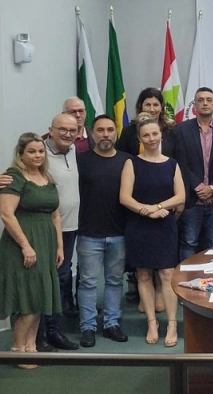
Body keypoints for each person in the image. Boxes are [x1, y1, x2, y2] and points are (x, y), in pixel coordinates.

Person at [119, 117, 186, 347]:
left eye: (154, 134)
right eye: (146, 135)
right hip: (139, 225)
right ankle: (151, 322)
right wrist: (146, 212)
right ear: (139, 138)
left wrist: (158, 208)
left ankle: (172, 324)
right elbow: (125, 197)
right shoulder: (132, 163)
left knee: (167, 274)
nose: (151, 139)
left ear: (161, 136)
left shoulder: (172, 164)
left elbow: (180, 197)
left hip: (165, 224)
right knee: (144, 275)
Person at [0, 133, 63, 369]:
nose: (37, 155)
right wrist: (26, 246)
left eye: (41, 151)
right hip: (22, 244)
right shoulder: (13, 177)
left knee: (40, 296)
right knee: (28, 298)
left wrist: (59, 245)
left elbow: (55, 213)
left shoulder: (46, 176)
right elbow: (6, 214)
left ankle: (31, 347)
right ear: (21, 153)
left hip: (46, 243)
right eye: (32, 151)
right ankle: (18, 349)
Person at [75, 114, 131, 347]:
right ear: (93, 133)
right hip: (89, 232)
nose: (106, 134)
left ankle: (111, 324)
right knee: (88, 283)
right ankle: (87, 327)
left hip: (119, 232)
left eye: (110, 129)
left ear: (116, 132)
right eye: (100, 130)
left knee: (115, 281)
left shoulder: (127, 161)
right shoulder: (81, 161)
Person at [37, 113, 81, 352]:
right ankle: (40, 335)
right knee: (47, 282)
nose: (67, 134)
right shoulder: (39, 152)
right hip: (46, 230)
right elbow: (19, 172)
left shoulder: (75, 151)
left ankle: (55, 332)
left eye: (72, 130)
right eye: (62, 129)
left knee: (61, 280)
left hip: (70, 227)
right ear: (50, 130)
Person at [173, 87, 213, 259]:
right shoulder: (181, 130)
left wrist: (212, 187)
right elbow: (181, 163)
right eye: (200, 100)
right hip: (192, 199)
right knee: (189, 242)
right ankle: (184, 281)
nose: (205, 103)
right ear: (194, 106)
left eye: (209, 100)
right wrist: (199, 188)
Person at [116, 87, 177, 157]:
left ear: (161, 108)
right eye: (148, 105)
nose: (152, 109)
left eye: (155, 105)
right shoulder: (129, 131)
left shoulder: (171, 131)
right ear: (140, 106)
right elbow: (122, 158)